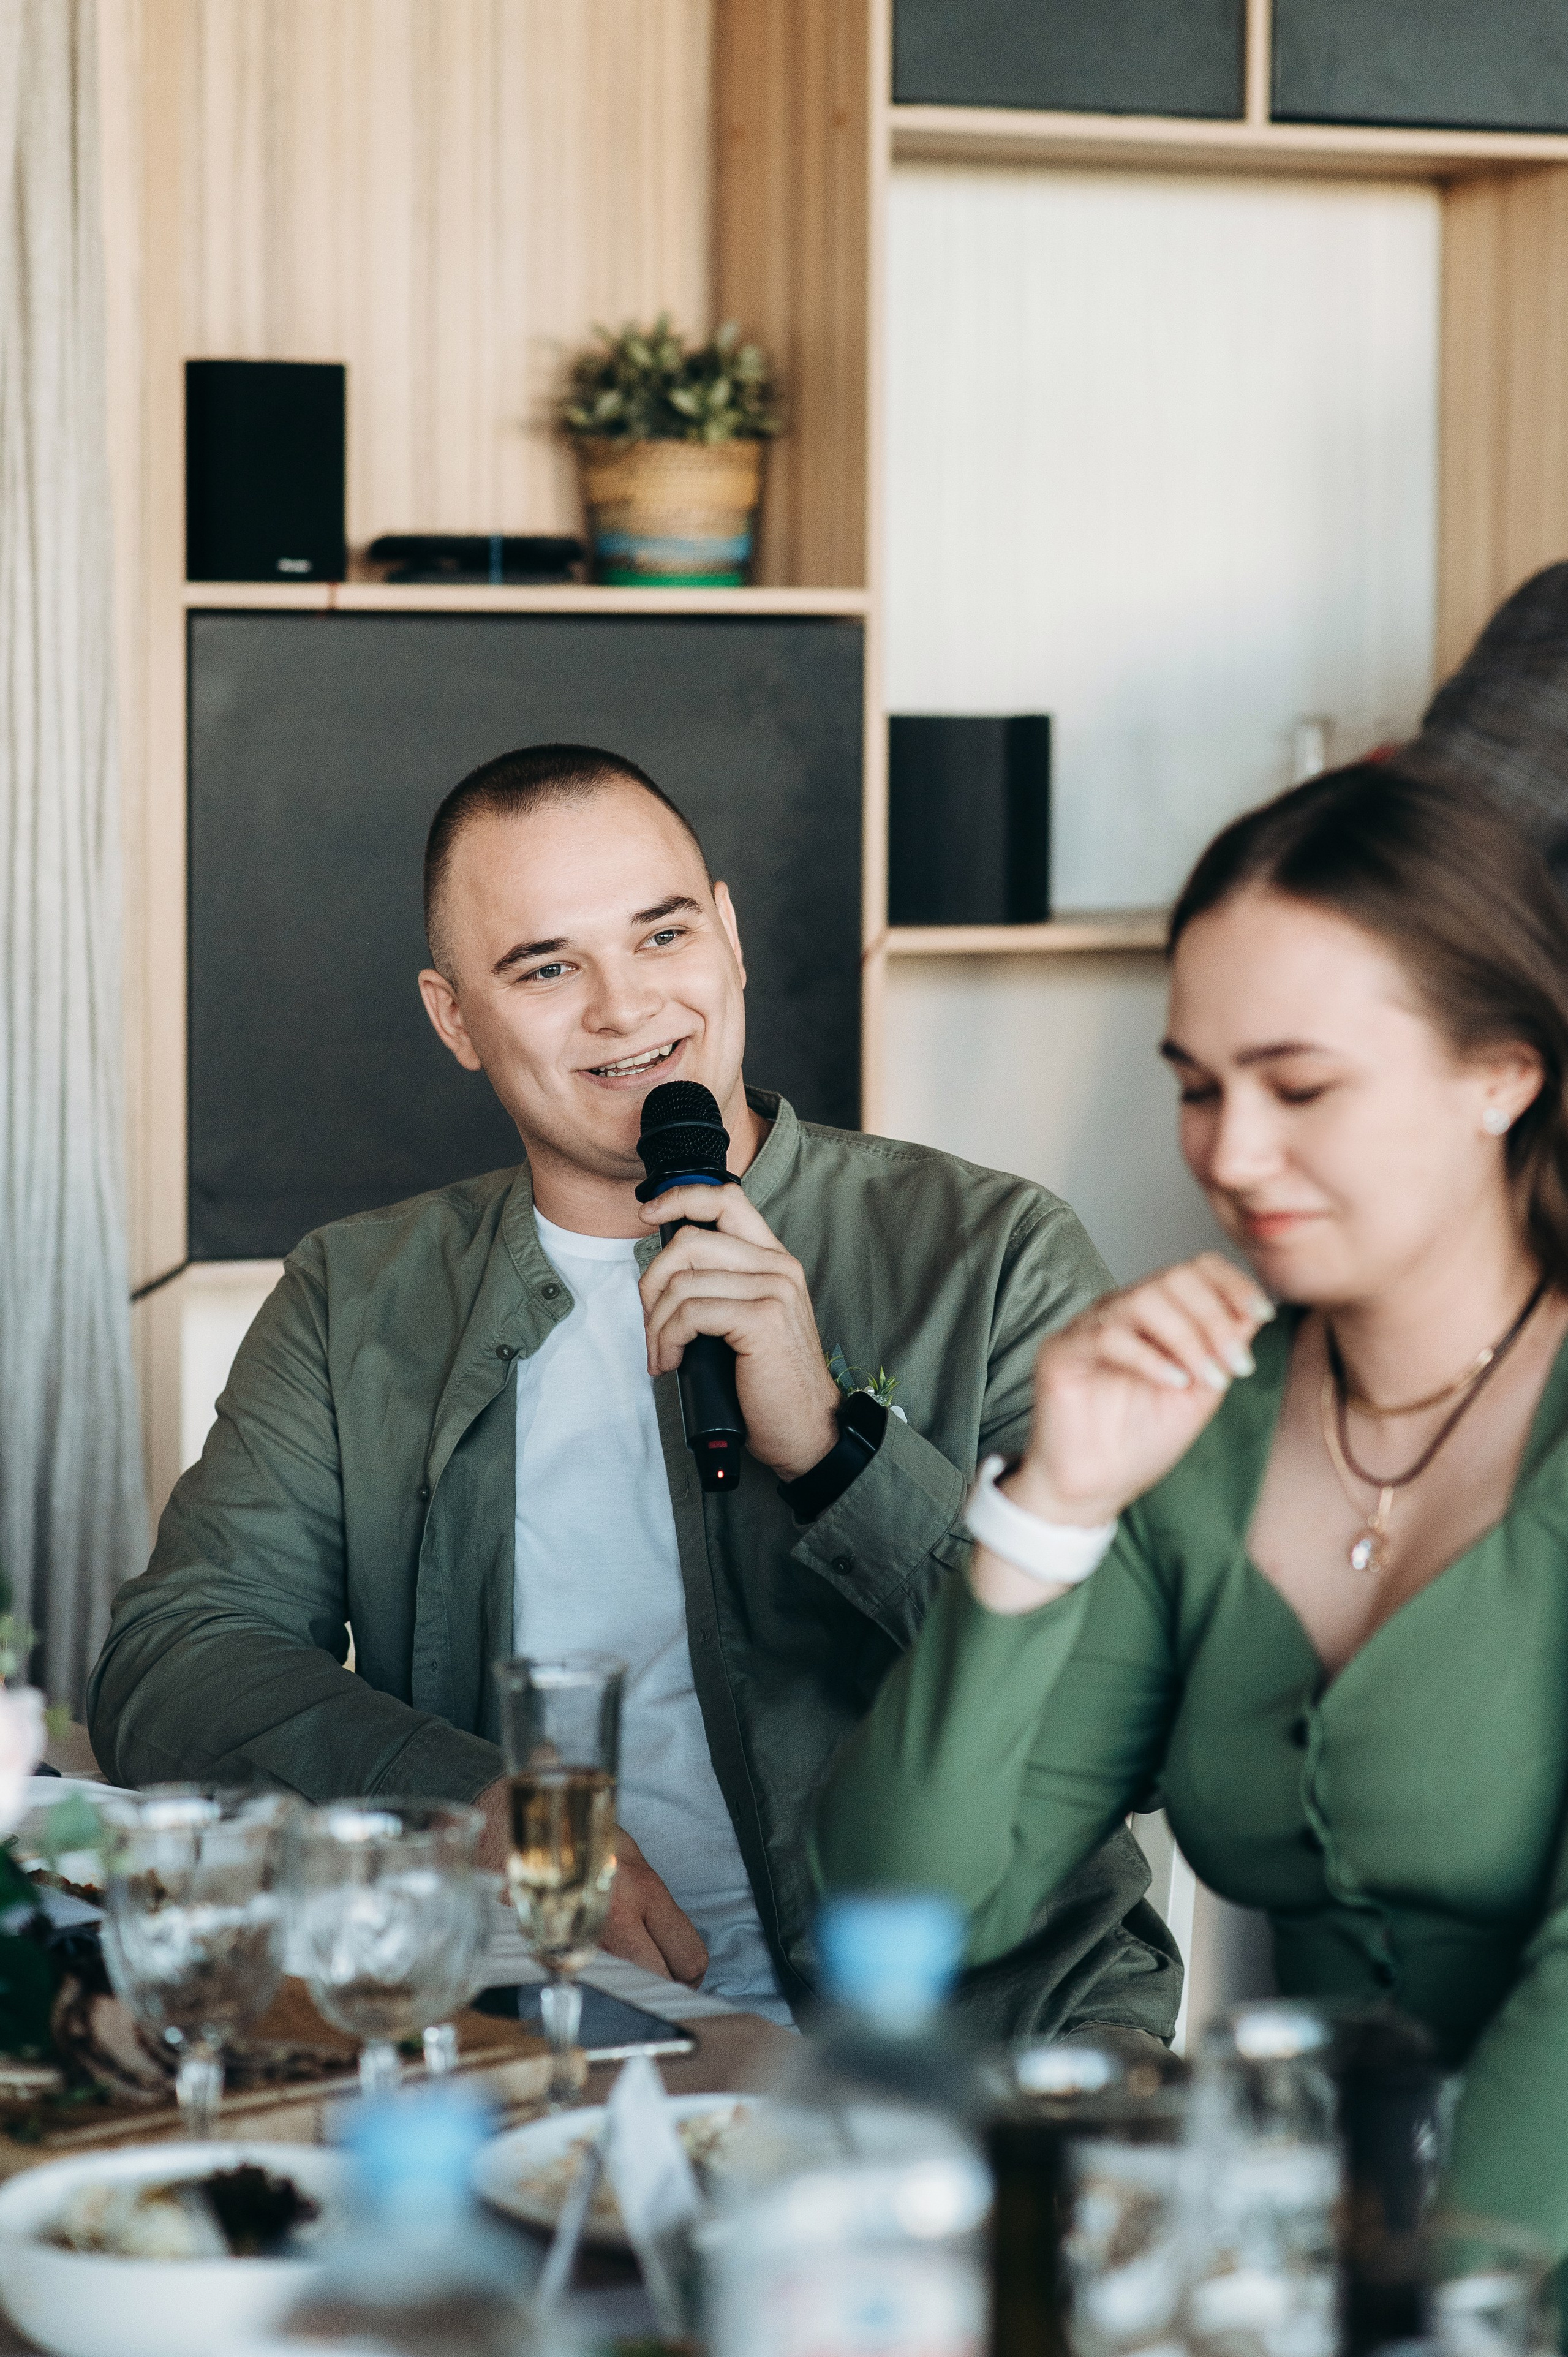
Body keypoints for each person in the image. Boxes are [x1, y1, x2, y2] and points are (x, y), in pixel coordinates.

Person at [88, 742, 1180, 2042]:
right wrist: (475, 1804)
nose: (623, 1008)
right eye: (547, 967)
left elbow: (1134, 1715)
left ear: (725, 934)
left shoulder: (986, 1251)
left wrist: (835, 1453)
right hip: (546, 2026)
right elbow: (175, 1654)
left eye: (660, 935)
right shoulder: (354, 1298)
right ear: (454, 1019)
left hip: (976, 2043)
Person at [816, 763, 1568, 2254]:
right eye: (1195, 1085)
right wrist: (1049, 1511)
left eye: (1298, 1087)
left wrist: (1401, 2299)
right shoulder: (1199, 1441)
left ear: (1501, 1071)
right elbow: (907, 1916)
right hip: (1299, 2248)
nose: (1226, 1153)